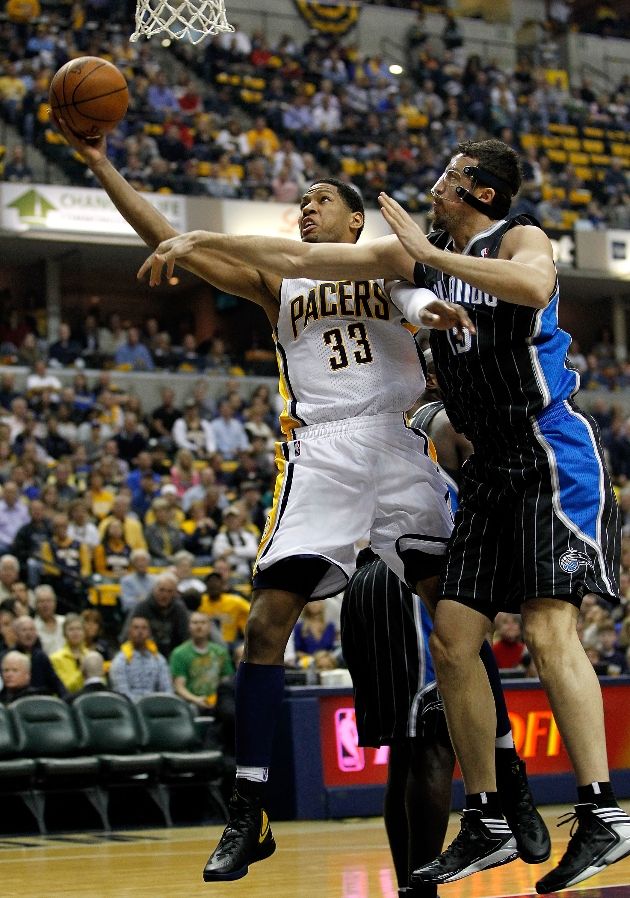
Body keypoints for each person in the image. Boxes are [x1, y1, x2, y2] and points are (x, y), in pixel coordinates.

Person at [53, 118, 531, 885]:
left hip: (398, 443)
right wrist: (102, 163)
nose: (305, 211)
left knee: (458, 622)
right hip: (323, 451)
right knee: (268, 621)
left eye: (319, 201)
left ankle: (507, 787)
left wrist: (428, 313)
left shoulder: (386, 260)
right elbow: (167, 238)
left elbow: (417, 298)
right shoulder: (279, 279)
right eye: (300, 204)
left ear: (353, 218)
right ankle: (251, 809)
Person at [153, 137, 628, 894]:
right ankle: (491, 815)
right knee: (453, 643)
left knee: (543, 627)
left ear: (479, 191)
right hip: (463, 467)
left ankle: (601, 811)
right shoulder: (407, 255)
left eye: (448, 176)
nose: (433, 184)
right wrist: (200, 236)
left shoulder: (516, 236)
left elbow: (532, 288)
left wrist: (425, 266)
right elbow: (309, 267)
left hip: (537, 449)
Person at [169, 611, 234, 712]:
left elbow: (226, 681)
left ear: (209, 627)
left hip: (217, 703)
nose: (199, 626)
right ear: (188, 626)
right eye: (195, 623)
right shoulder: (179, 653)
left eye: (203, 622)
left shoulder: (221, 652)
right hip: (190, 704)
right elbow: (179, 686)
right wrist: (196, 700)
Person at [109, 615, 173, 700]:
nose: (140, 631)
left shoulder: (159, 660)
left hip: (155, 707)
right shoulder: (120, 660)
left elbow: (167, 689)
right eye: (136, 628)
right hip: (129, 708)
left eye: (144, 628)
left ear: (149, 632)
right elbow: (121, 693)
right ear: (129, 632)